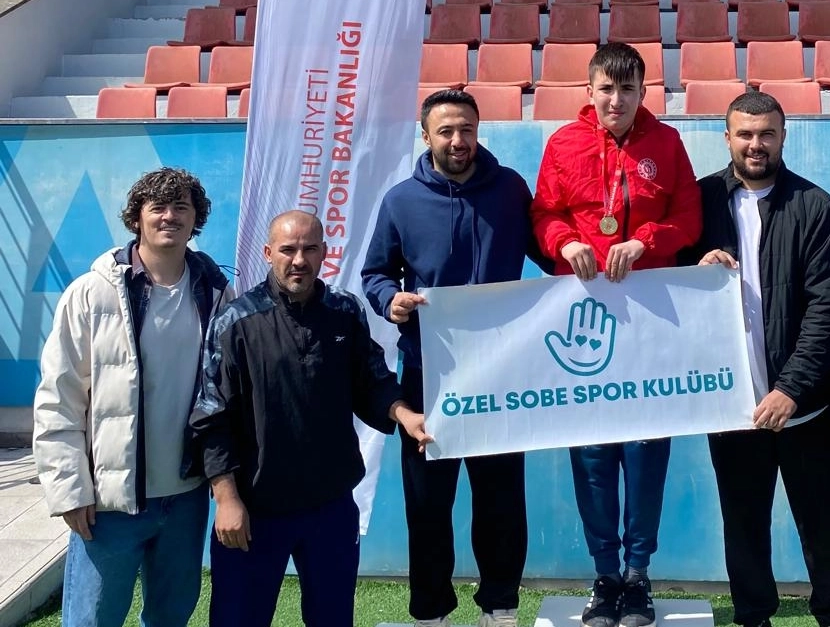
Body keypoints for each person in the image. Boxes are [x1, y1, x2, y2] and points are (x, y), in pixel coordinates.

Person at [531, 42, 702, 627]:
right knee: (593, 455)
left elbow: (689, 218)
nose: (616, 99)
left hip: (651, 325)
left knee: (646, 452)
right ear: (589, 91)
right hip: (585, 325)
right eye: (606, 88)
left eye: (627, 89)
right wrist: (564, 243)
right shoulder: (563, 144)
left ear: (642, 93)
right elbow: (544, 215)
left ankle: (638, 576)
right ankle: (605, 576)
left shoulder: (667, 144)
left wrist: (645, 241)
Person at [361, 89, 541, 627]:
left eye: (467, 129)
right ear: (427, 136)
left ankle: (500, 608)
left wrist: (592, 264)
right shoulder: (400, 201)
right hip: (427, 375)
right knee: (427, 504)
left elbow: (549, 251)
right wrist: (389, 301)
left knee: (502, 500)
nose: (458, 140)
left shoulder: (511, 189)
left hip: (501, 372)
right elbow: (376, 274)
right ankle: (430, 612)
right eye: (446, 131)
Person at [692, 92, 830, 627]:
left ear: (783, 137)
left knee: (828, 534)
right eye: (745, 134)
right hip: (734, 410)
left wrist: (790, 389)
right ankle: (753, 618)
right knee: (743, 531)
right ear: (727, 138)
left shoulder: (816, 207)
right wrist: (695, 269)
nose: (755, 144)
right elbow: (669, 290)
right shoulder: (699, 201)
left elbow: (828, 311)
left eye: (766, 133)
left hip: (809, 411)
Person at [33, 167, 230, 627]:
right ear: (136, 218)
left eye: (181, 206)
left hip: (185, 498)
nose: (169, 216)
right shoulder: (91, 294)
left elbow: (226, 396)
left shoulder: (217, 293)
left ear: (196, 218)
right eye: (157, 207)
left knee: (170, 618)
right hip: (110, 505)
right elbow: (59, 397)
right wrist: (69, 489)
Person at [191, 210, 406, 627]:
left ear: (324, 252)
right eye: (288, 250)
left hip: (330, 506)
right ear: (269, 253)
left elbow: (372, 380)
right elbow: (212, 416)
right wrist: (227, 498)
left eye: (310, 249)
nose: (299, 260)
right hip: (255, 509)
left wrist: (404, 413)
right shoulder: (236, 321)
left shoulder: (345, 310)